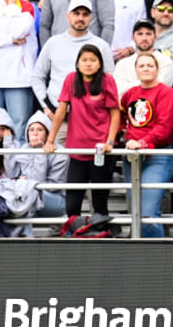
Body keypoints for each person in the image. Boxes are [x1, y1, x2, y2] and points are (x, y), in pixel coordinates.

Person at [43, 44, 120, 219]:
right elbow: (61, 111)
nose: (88, 64)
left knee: (100, 203)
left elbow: (115, 113)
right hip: (77, 151)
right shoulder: (71, 79)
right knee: (72, 204)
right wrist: (49, 141)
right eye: (84, 60)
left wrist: (110, 141)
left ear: (100, 63)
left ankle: (101, 236)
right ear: (77, 63)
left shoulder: (107, 80)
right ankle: (73, 234)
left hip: (100, 150)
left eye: (93, 60)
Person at [31, 0, 113, 136]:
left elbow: (110, 80)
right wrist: (46, 106)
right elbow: (37, 77)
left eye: (85, 14)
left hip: (91, 119)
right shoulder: (53, 43)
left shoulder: (101, 45)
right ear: (68, 16)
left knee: (88, 157)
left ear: (91, 18)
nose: (80, 18)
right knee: (58, 157)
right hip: (58, 116)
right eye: (76, 13)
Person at [121, 52, 173, 237]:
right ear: (136, 70)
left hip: (157, 155)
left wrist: (143, 142)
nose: (146, 69)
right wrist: (122, 138)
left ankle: (154, 258)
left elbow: (165, 127)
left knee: (147, 212)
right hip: (131, 157)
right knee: (136, 212)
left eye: (150, 65)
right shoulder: (130, 93)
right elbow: (120, 117)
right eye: (142, 66)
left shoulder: (167, 93)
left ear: (157, 69)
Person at [0, 0, 38, 144]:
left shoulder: (26, 6)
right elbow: (12, 35)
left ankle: (21, 170)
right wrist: (9, 40)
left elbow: (20, 30)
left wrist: (13, 4)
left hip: (19, 78)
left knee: (19, 127)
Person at [4, 111, 69, 217]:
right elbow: (11, 173)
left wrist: (39, 152)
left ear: (47, 133)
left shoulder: (60, 153)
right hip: (31, 195)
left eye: (40, 130)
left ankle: (23, 232)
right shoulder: (24, 148)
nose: (35, 133)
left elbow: (46, 185)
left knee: (24, 193)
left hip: (56, 199)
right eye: (31, 130)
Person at [114, 19, 173, 98]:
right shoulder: (122, 64)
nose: (144, 38)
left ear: (155, 37)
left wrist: (131, 86)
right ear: (133, 37)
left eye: (148, 34)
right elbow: (119, 93)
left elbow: (159, 91)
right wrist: (147, 83)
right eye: (140, 34)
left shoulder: (166, 62)